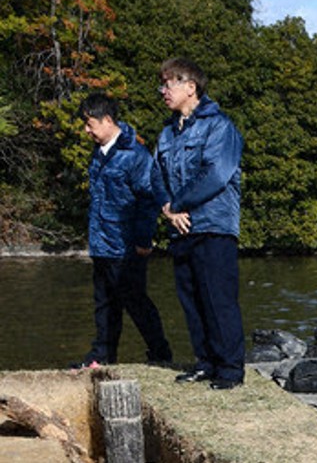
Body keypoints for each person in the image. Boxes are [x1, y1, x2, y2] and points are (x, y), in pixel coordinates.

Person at [151, 58, 247, 391]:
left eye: (168, 84)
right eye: (162, 85)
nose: (163, 91)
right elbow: (156, 175)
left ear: (190, 87)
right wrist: (168, 209)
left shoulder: (220, 127)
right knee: (191, 301)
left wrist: (177, 204)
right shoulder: (167, 132)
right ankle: (205, 363)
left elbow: (216, 175)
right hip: (180, 228)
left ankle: (230, 369)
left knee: (218, 300)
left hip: (213, 226)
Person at [72, 93, 173, 369]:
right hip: (101, 242)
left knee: (136, 301)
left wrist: (142, 239)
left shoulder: (135, 156)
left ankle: (160, 352)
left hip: (126, 245)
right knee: (104, 303)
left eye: (90, 124)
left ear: (107, 120)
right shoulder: (98, 155)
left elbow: (148, 199)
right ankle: (102, 355)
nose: (87, 130)